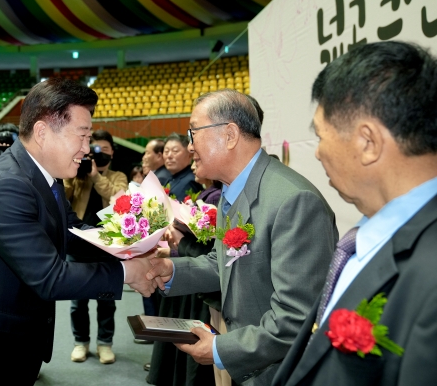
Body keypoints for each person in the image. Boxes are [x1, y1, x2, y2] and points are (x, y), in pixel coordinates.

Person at [0, 78, 156, 386]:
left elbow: (72, 231)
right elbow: (50, 278)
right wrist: (127, 272)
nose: (86, 149)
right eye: (82, 136)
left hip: (16, 340)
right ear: (43, 132)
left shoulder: (45, 175)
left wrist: (130, 244)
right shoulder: (6, 186)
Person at [272, 41, 437, 386]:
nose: (317, 153)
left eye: (320, 136)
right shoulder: (360, 241)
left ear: (367, 142)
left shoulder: (429, 273)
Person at [147, 89, 338, 385]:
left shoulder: (294, 201)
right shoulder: (233, 190)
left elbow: (296, 317)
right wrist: (171, 270)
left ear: (230, 135)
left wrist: (221, 349)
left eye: (193, 133)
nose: (190, 146)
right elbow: (223, 262)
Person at [148, 160, 221, 386]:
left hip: (199, 277)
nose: (193, 164)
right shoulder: (208, 193)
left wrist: (179, 243)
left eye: (198, 159)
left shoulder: (217, 198)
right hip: (189, 271)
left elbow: (211, 252)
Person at [63, 129, 128, 364]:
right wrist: (73, 173)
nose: (99, 153)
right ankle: (80, 342)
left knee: (107, 300)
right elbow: (63, 196)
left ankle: (104, 343)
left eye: (104, 149)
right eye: (95, 149)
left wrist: (95, 175)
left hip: (108, 246)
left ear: (112, 153)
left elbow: (118, 197)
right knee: (77, 301)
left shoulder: (118, 176)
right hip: (79, 244)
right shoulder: (77, 174)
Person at [163, 133, 202, 201]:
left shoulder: (191, 181)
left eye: (175, 151)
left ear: (189, 154)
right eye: (166, 151)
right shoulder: (171, 178)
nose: (169, 156)